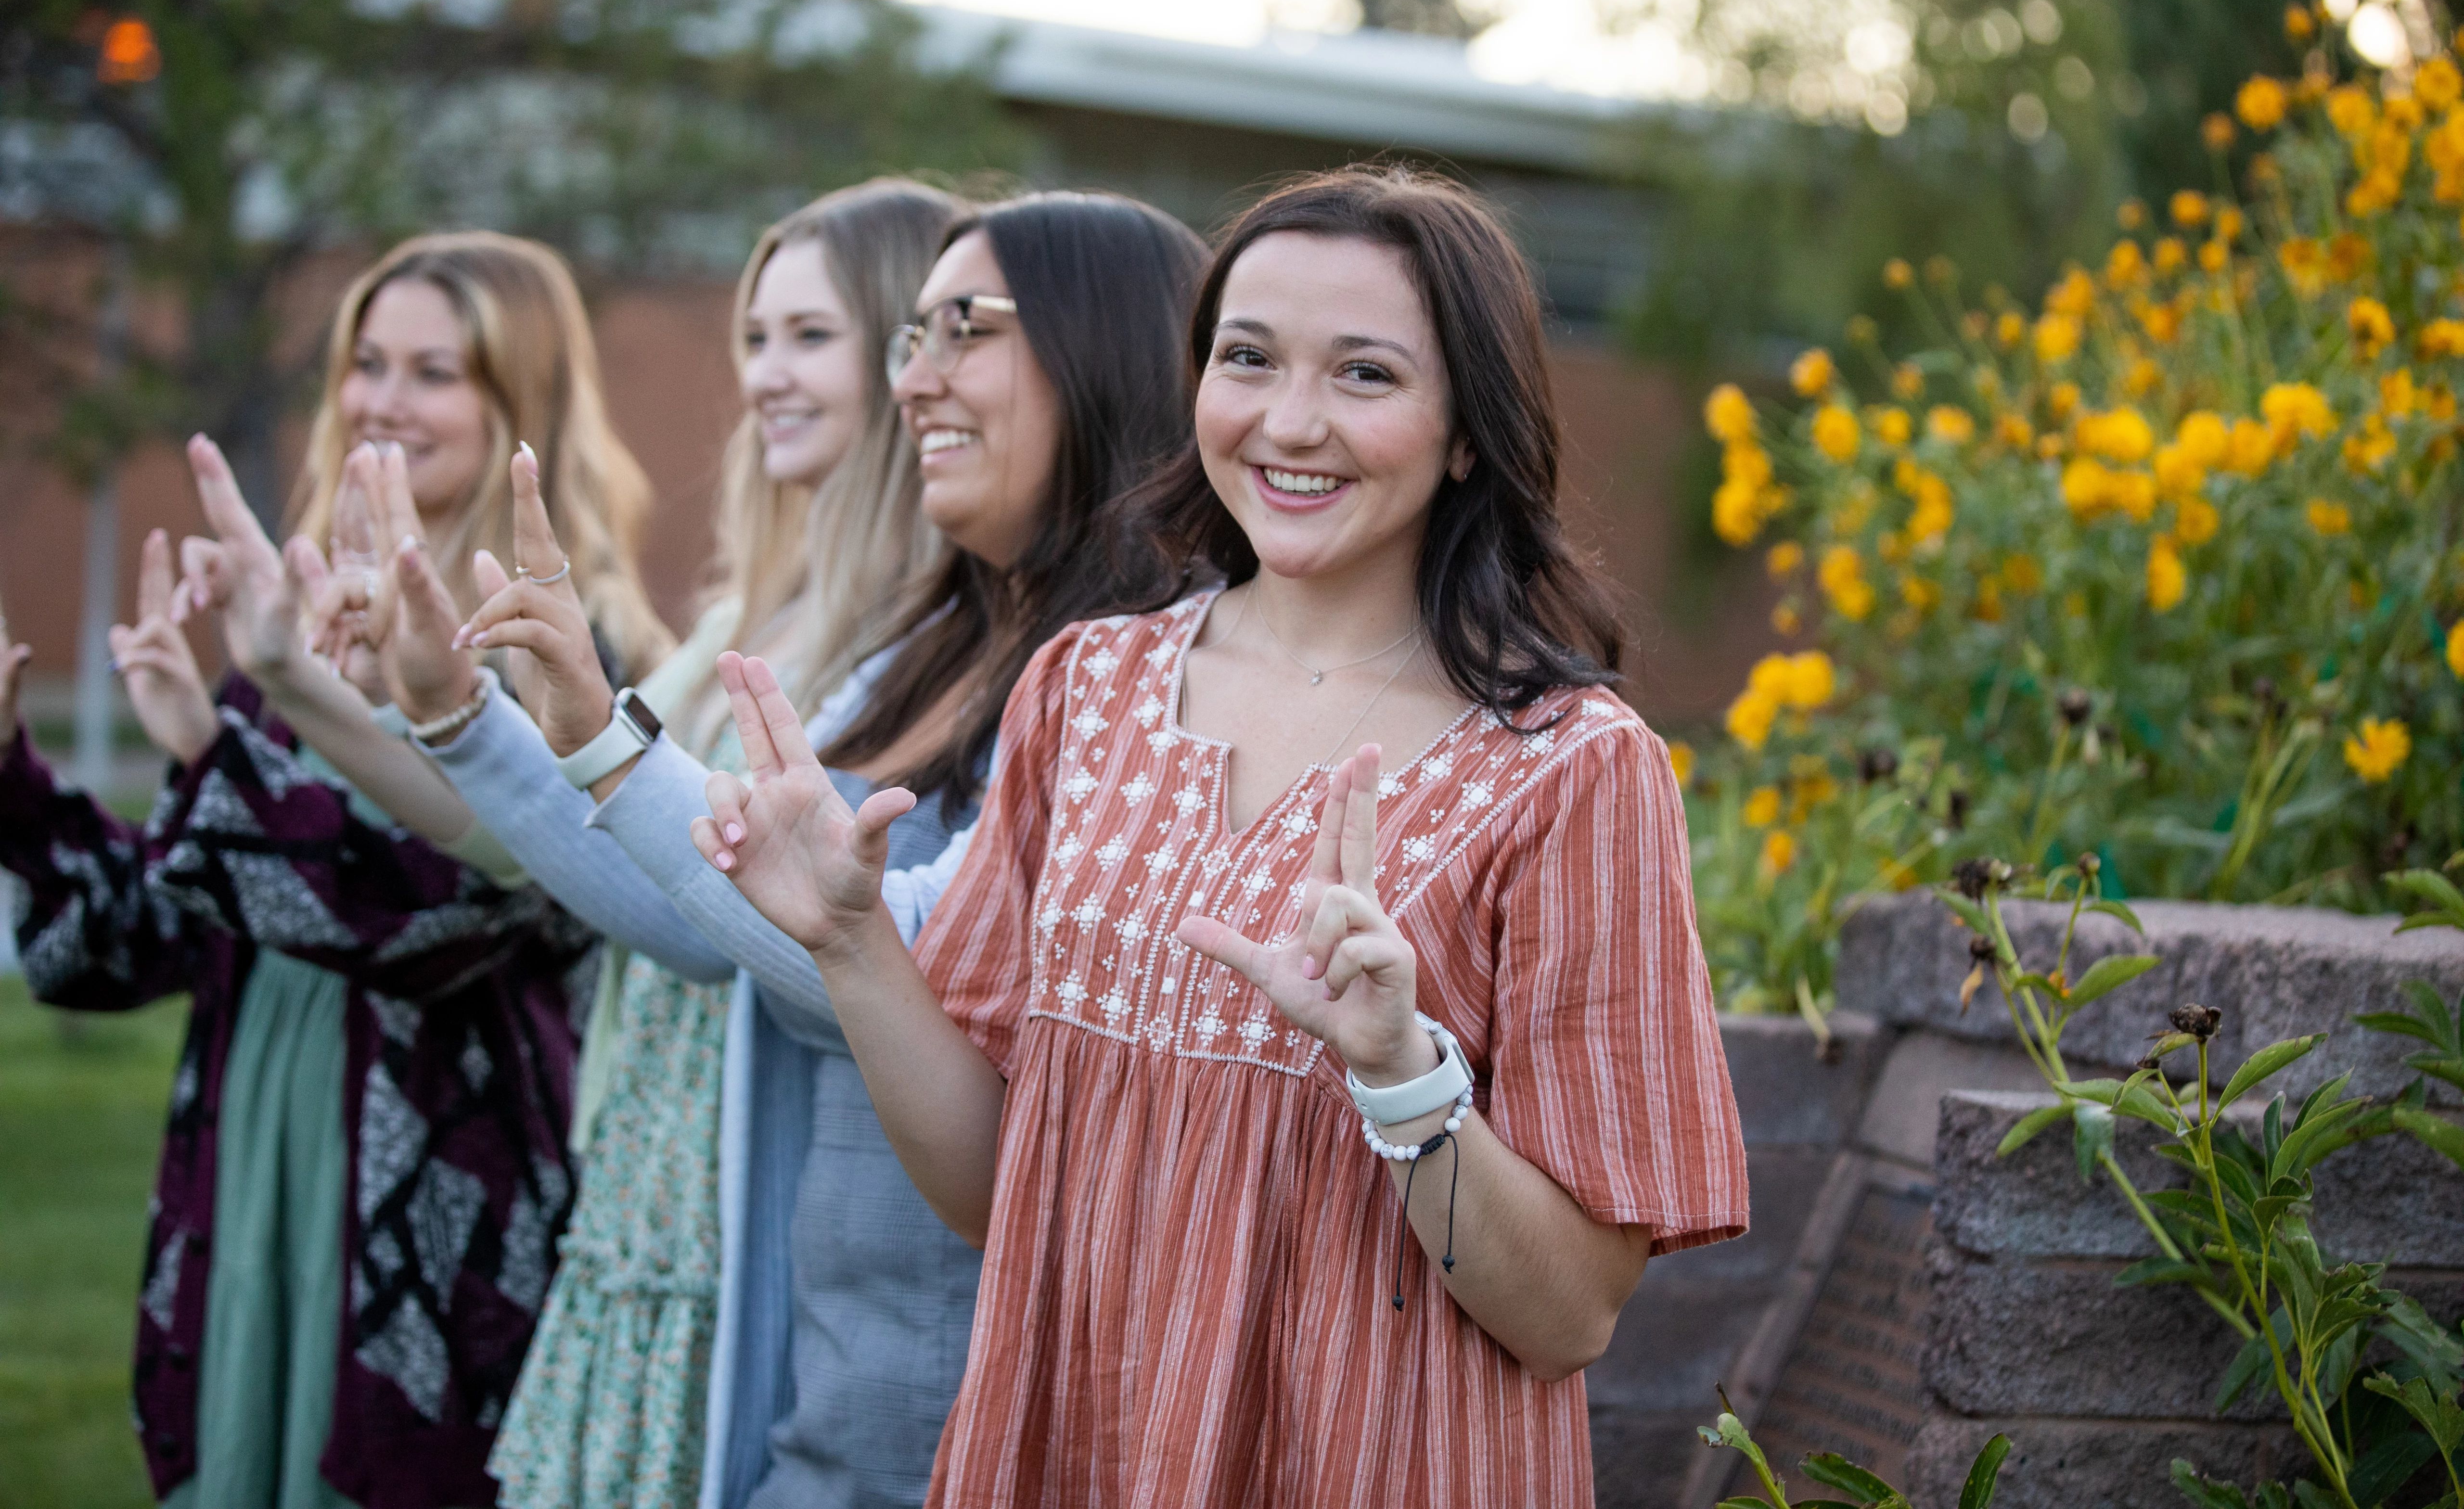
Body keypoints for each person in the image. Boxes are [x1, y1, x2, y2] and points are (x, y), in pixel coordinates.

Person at [696, 166, 1750, 1507]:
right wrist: (852, 942)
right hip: (1073, 1457)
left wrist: (1397, 1072)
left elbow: (1573, 1318)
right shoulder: (1085, 688)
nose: (1290, 422)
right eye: (1247, 360)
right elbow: (993, 1194)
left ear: (1467, 430)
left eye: (1365, 375)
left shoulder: (1572, 772)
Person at [382, 190, 1212, 1508]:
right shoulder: (934, 654)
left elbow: (910, 949)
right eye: (908, 338)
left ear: (1100, 348)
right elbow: (723, 908)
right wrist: (484, 721)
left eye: (961, 330)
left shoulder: (1156, 675)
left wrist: (602, 742)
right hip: (840, 1376)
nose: (914, 379)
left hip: (957, 1394)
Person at [0, 229, 668, 1509]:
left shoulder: (576, 652)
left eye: (436, 371)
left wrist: (269, 724)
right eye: (368, 362)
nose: (383, 400)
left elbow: (444, 916)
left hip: (427, 1210)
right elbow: (143, 936)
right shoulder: (295, 620)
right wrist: (17, 784)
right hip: (253, 1164)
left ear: (518, 404)